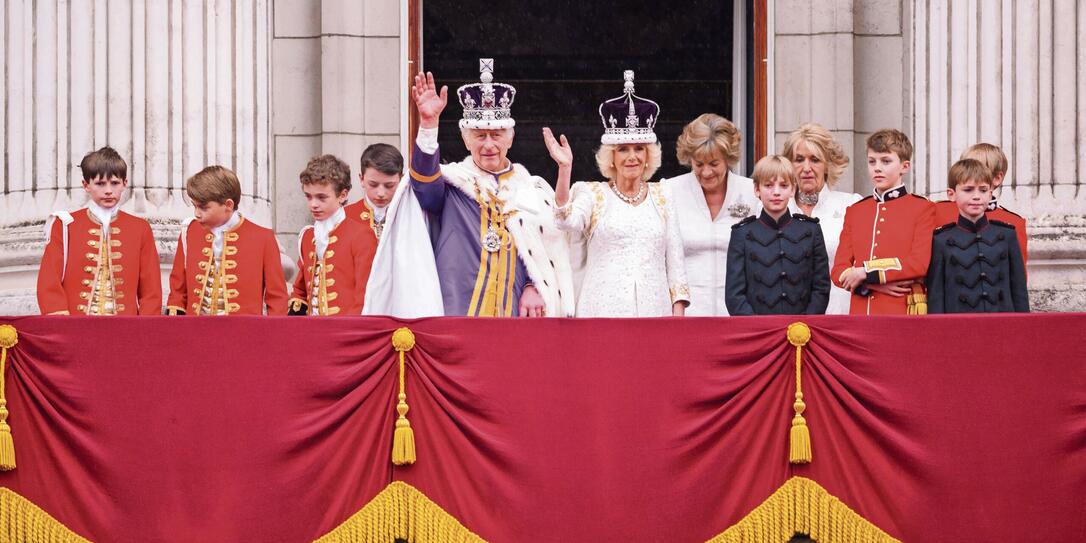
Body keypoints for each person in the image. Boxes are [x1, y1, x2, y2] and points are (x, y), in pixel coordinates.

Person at [387, 60, 574, 317]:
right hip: (458, 310)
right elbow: (424, 188)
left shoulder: (533, 189)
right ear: (466, 139)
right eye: (479, 135)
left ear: (510, 138)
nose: (488, 144)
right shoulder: (453, 184)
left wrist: (535, 285)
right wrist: (429, 125)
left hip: (515, 313)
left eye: (496, 134)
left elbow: (548, 251)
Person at [552, 70, 689, 317]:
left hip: (654, 313)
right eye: (623, 149)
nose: (632, 156)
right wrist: (565, 169)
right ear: (612, 157)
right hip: (601, 312)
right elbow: (565, 220)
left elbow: (676, 262)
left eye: (639, 148)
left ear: (648, 156)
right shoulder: (592, 193)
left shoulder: (663, 195)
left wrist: (677, 315)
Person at [37, 146, 162, 315]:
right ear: (86, 185)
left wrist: (143, 331)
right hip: (76, 329)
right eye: (100, 183)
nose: (108, 190)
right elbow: (49, 281)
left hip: (126, 331)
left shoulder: (140, 228)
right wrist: (62, 326)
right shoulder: (64, 225)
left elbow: (151, 289)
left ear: (125, 184)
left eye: (115, 183)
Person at [662, 113, 758, 316]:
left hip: (741, 314)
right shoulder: (669, 191)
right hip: (686, 314)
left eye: (714, 164)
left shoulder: (752, 192)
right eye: (699, 164)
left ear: (729, 159)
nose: (706, 172)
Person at [832, 129, 935, 315]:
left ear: (904, 166)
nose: (877, 168)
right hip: (861, 312)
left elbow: (918, 263)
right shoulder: (856, 211)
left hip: (901, 311)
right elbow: (839, 270)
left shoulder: (922, 208)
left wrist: (866, 272)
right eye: (872, 161)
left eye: (886, 161)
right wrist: (872, 284)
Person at [167, 166, 287, 315]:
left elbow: (276, 299)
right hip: (195, 333)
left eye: (204, 208)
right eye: (195, 206)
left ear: (228, 205)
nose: (196, 213)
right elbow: (177, 291)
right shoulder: (189, 232)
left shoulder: (263, 238)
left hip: (243, 335)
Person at [725, 155, 829, 315]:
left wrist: (804, 325)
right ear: (756, 189)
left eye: (783, 185)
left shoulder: (811, 231)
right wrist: (758, 328)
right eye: (768, 185)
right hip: (757, 332)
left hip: (803, 330)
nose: (776, 192)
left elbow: (821, 288)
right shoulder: (742, 234)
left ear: (793, 189)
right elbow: (734, 295)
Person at [926, 159, 1028, 313]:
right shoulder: (941, 240)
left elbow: (1019, 290)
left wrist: (1023, 329)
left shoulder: (1007, 235)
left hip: (1003, 325)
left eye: (983, 190)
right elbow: (936, 295)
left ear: (990, 194)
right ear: (951, 194)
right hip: (959, 327)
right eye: (968, 190)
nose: (976, 196)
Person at [781, 123, 862, 314]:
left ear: (828, 165)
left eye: (815, 160)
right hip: (788, 319)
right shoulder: (775, 210)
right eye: (799, 160)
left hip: (839, 315)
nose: (806, 168)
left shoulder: (850, 205)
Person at [288, 155, 376, 316]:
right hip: (312, 333)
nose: (313, 204)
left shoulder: (362, 235)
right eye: (308, 196)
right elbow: (300, 291)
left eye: (321, 197)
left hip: (345, 333)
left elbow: (365, 296)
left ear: (343, 195)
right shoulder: (307, 236)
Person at [934, 143, 1028, 266]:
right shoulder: (938, 211)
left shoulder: (1013, 222)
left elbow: (1017, 273)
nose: (970, 173)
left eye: (978, 168)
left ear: (997, 178)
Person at [345, 143, 403, 241]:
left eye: (389, 186)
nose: (381, 193)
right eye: (373, 184)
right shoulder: (344, 217)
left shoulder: (409, 217)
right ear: (361, 179)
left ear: (401, 180)